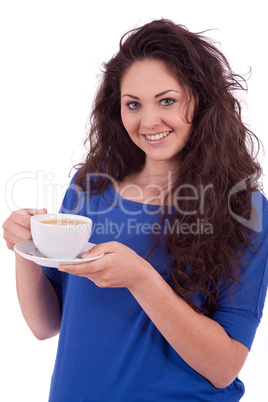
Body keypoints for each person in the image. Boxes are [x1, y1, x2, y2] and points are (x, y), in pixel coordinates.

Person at [3, 19, 268, 401]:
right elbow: (45, 325)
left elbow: (225, 367)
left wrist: (141, 279)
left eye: (167, 100)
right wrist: (24, 249)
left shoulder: (244, 208)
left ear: (203, 100)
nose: (148, 121)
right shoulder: (89, 187)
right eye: (133, 104)